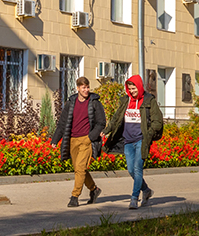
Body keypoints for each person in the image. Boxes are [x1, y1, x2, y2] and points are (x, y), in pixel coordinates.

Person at [103, 75, 164, 209]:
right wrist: (107, 130)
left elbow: (157, 121)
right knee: (131, 169)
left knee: (137, 169)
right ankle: (146, 190)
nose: (132, 91)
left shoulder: (149, 101)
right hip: (128, 141)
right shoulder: (126, 101)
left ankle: (134, 198)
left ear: (139, 86)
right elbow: (116, 117)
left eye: (134, 88)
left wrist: (148, 134)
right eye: (129, 89)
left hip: (141, 140)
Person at [51, 76, 106, 208]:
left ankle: (75, 196)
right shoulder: (71, 103)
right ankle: (94, 190)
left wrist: (90, 137)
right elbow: (63, 123)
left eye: (87, 87)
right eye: (83, 88)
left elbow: (101, 122)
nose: (86, 90)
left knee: (80, 168)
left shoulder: (94, 102)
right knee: (79, 169)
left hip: (86, 140)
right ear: (78, 88)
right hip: (72, 140)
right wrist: (55, 139)